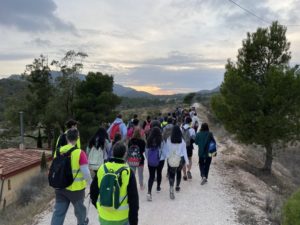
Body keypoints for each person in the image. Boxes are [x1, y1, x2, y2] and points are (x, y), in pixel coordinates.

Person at [90, 142, 139, 225]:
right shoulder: (128, 172)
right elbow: (134, 200)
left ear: (112, 152)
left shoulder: (102, 168)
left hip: (104, 216)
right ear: (125, 154)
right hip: (122, 218)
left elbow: (93, 192)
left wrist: (98, 207)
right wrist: (134, 222)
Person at [51, 129, 92, 225]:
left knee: (58, 213)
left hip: (60, 187)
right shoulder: (80, 153)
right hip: (76, 190)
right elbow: (86, 172)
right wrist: (92, 184)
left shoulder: (58, 151)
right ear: (77, 138)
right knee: (80, 213)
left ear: (66, 138)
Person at [165, 125, 189, 199]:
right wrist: (187, 162)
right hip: (180, 158)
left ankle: (171, 187)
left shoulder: (168, 139)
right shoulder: (182, 141)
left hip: (171, 158)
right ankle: (177, 186)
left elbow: (167, 150)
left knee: (171, 174)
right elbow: (184, 152)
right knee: (178, 172)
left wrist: (167, 157)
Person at [145, 127, 165, 201]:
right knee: (159, 173)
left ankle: (149, 192)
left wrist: (148, 159)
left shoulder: (149, 140)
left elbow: (146, 151)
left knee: (151, 176)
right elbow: (164, 150)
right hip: (160, 160)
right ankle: (158, 187)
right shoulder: (161, 141)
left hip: (151, 160)